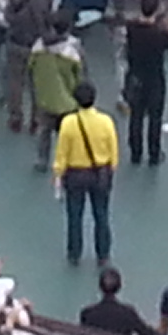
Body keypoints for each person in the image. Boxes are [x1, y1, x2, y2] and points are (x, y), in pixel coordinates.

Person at [53, 84, 119, 267]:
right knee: (101, 214)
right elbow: (113, 150)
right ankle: (103, 253)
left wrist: (58, 173)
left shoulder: (68, 123)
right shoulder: (106, 121)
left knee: (75, 215)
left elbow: (62, 152)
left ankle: (74, 252)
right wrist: (111, 169)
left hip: (75, 174)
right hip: (100, 172)